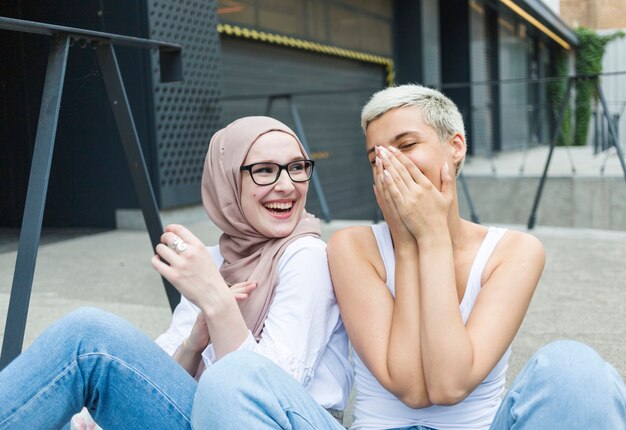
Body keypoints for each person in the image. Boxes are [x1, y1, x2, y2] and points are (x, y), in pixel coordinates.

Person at [189, 85, 626, 430]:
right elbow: (410, 388)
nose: (389, 164)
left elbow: (449, 382)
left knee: (577, 367)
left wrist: (432, 238)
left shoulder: (514, 251)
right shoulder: (352, 246)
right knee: (233, 379)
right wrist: (409, 242)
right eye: (376, 156)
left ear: (455, 147)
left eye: (406, 144)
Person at [0, 116, 353, 429]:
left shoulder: (306, 255)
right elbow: (157, 371)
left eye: (297, 167)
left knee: (88, 343)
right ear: (227, 181)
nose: (288, 185)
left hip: (287, 420)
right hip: (205, 415)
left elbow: (266, 389)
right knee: (77, 376)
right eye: (264, 170)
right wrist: (193, 345)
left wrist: (217, 304)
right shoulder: (216, 259)